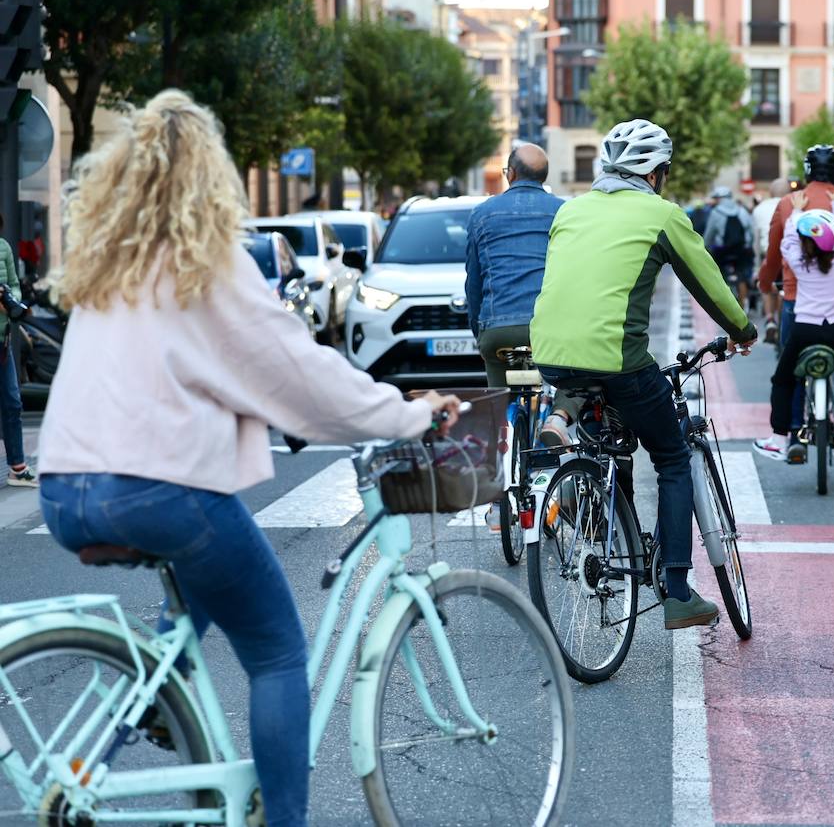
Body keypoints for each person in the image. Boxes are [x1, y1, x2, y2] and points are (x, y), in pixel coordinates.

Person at [37, 90, 463, 827]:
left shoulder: (107, 268)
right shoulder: (207, 263)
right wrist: (406, 414)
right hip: (156, 489)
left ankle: (111, 748)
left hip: (64, 489)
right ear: (213, 177)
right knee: (275, 651)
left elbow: (188, 371)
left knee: (202, 593)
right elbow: (294, 368)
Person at [531, 118, 758, 631]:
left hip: (551, 354)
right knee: (673, 456)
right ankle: (676, 590)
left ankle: (579, 456)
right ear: (655, 173)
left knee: (611, 438)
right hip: (618, 358)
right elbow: (708, 284)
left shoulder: (571, 210)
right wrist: (742, 329)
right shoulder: (660, 214)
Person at [758, 145, 834, 461]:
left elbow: (777, 251)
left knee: (786, 373)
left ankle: (789, 434)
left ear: (807, 170)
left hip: (798, 308)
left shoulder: (786, 206)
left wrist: (765, 284)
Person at [464, 144, 577, 445]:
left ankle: (498, 443)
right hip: (550, 329)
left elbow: (474, 284)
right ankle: (558, 418)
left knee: (499, 399)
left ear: (510, 174)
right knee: (579, 372)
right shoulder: (565, 211)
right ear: (543, 176)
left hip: (498, 331)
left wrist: (481, 333)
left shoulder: (482, 214)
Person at [0, 215, 34, 487]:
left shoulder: (4, 247)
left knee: (12, 402)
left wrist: (10, 301)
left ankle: (17, 467)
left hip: (3, 340)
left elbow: (14, 285)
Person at [750, 176, 794, 343]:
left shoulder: (759, 209)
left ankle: (769, 320)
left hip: (767, 253)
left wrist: (756, 267)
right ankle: (782, 319)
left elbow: (755, 239)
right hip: (789, 256)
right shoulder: (794, 206)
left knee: (766, 286)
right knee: (787, 287)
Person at [703, 185, 754, 307]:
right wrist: (749, 246)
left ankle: (723, 301)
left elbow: (709, 235)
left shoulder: (716, 212)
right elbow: (750, 233)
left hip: (723, 251)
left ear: (720, 199)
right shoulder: (742, 210)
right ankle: (744, 301)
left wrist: (705, 247)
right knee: (742, 273)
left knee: (717, 273)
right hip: (742, 251)